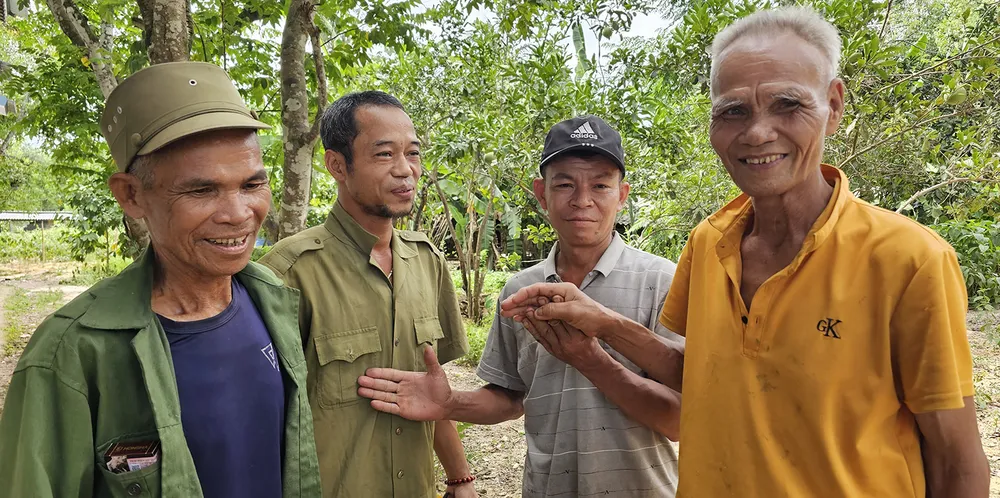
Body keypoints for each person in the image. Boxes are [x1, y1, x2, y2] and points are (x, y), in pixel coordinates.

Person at [497, 7, 990, 498]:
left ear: (834, 106)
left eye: (788, 105)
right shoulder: (710, 243)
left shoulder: (909, 259)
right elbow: (707, 377)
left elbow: (958, 463)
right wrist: (601, 323)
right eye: (733, 111)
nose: (757, 132)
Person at [0, 62, 321, 497]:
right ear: (131, 194)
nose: (238, 213)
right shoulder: (73, 352)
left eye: (251, 184)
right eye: (201, 190)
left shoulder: (273, 301)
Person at [357, 115, 683, 497]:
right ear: (541, 194)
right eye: (565, 184)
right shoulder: (520, 291)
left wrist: (591, 359)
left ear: (622, 195)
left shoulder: (664, 281)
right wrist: (449, 403)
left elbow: (677, 419)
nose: (582, 200)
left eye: (600, 185)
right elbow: (510, 398)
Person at [259, 91, 475, 498]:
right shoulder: (289, 272)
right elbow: (258, 418)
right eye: (383, 155)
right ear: (337, 165)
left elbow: (433, 392)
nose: (405, 171)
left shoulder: (426, 262)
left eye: (412, 153)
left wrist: (459, 478)